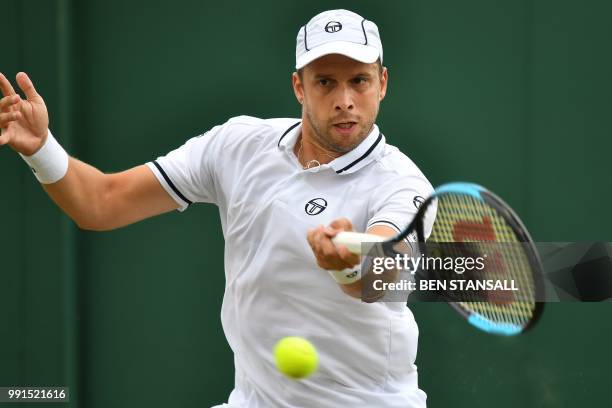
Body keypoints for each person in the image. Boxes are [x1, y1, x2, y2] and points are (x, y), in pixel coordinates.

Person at [0, 9, 434, 408]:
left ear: (382, 84)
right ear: (299, 86)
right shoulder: (237, 146)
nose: (344, 99)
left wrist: (349, 264)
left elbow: (387, 267)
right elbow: (101, 203)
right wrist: (41, 148)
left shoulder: (402, 184)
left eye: (359, 80)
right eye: (325, 82)